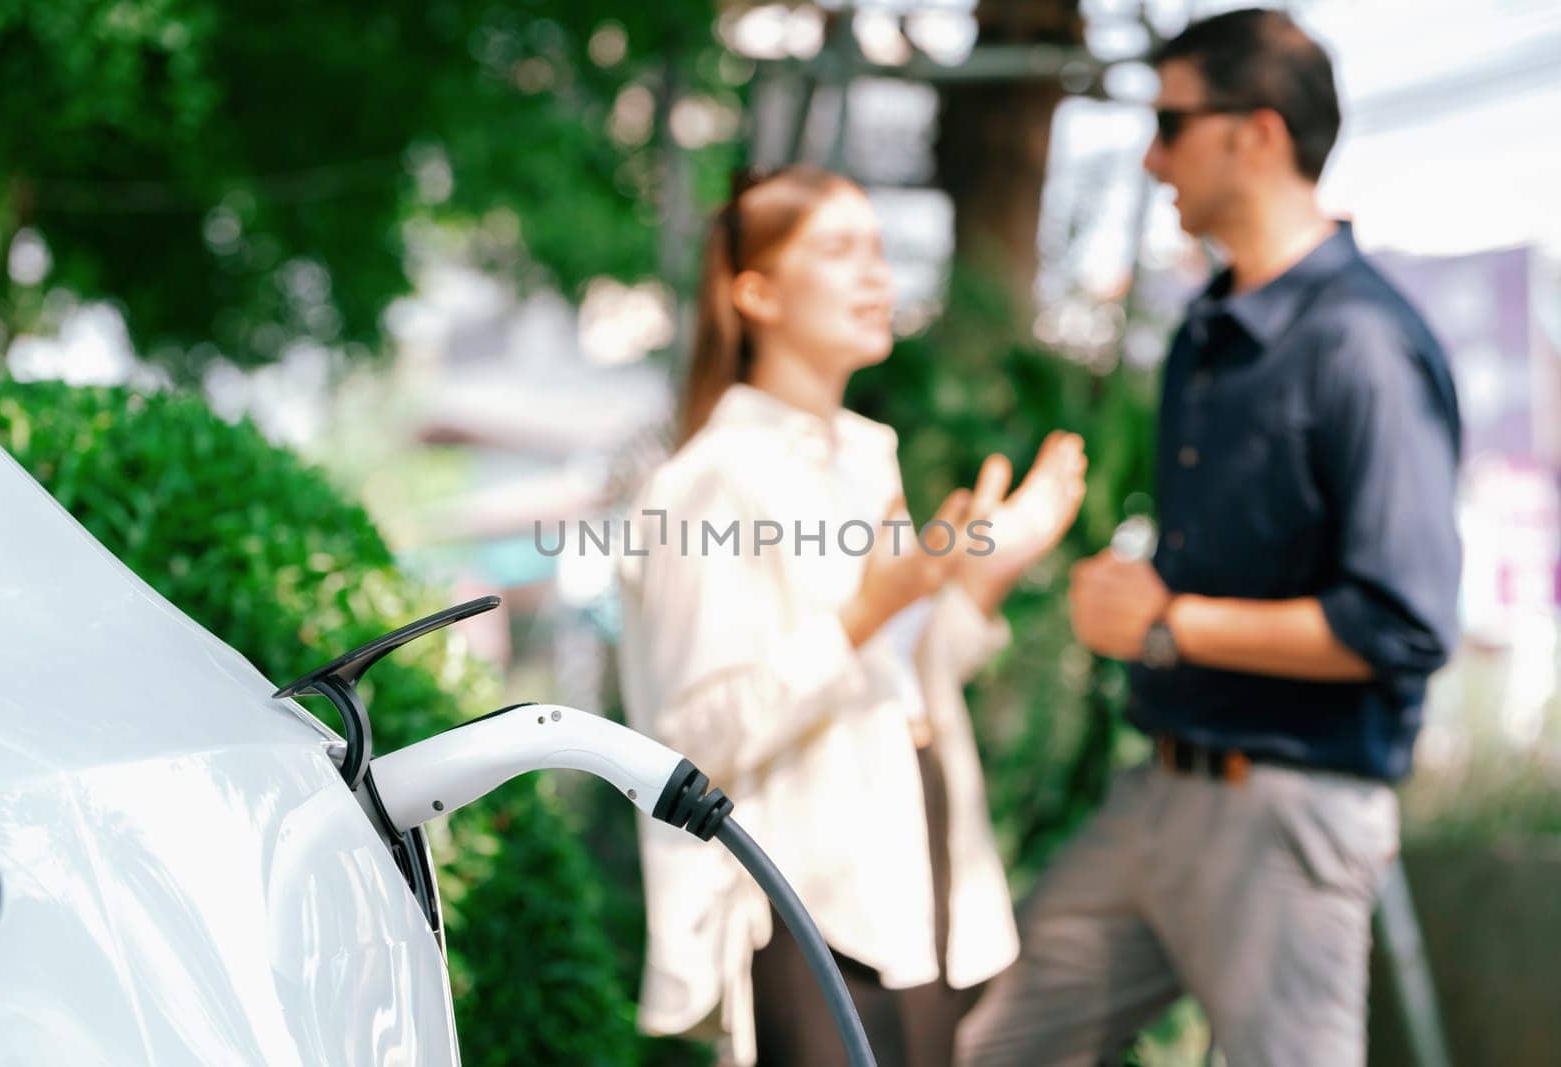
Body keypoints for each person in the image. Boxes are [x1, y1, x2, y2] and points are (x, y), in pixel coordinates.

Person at [957, 10, 1462, 1067]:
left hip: (1285, 812)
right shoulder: (1204, 329)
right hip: (1158, 792)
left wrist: (1167, 621)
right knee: (997, 1048)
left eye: (1171, 122)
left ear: (1257, 133)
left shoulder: (1362, 344)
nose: (1150, 155)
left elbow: (1401, 623)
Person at [616, 164, 1087, 1067]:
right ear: (754, 291)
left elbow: (913, 676)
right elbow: (692, 736)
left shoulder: (868, 458)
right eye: (839, 250)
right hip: (807, 899)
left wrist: (1001, 561)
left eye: (878, 250)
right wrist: (871, 606)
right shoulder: (710, 481)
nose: (875, 275)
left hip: (924, 865)